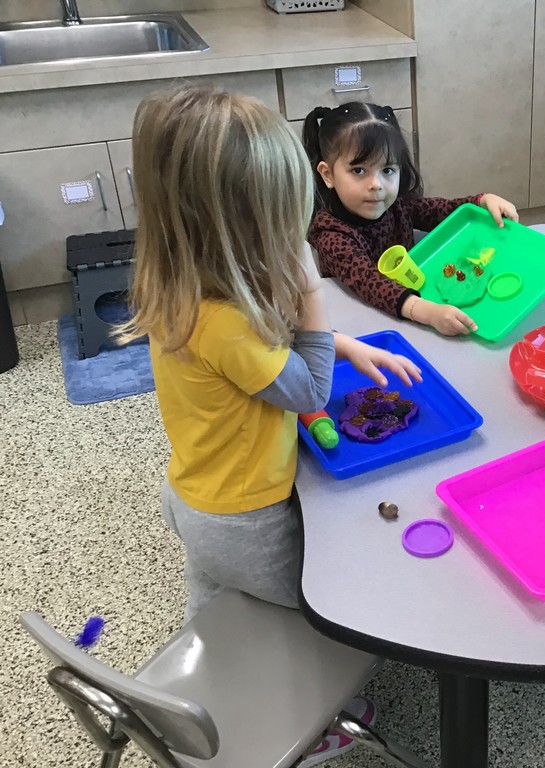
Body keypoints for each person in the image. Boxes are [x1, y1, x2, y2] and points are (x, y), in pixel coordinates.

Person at [118, 85, 421, 767]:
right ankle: (311, 721)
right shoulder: (223, 321)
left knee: (217, 595)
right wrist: (314, 295)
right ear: (241, 221)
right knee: (338, 612)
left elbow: (272, 340)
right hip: (246, 519)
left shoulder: (186, 280)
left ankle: (206, 667)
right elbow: (306, 389)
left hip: (194, 495)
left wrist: (344, 343)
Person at [303, 101, 519, 336]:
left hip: (414, 316)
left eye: (387, 170)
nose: (376, 185)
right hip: (367, 330)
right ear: (328, 175)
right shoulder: (330, 234)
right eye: (359, 171)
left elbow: (442, 211)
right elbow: (370, 283)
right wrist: (428, 312)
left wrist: (482, 200)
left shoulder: (399, 204)